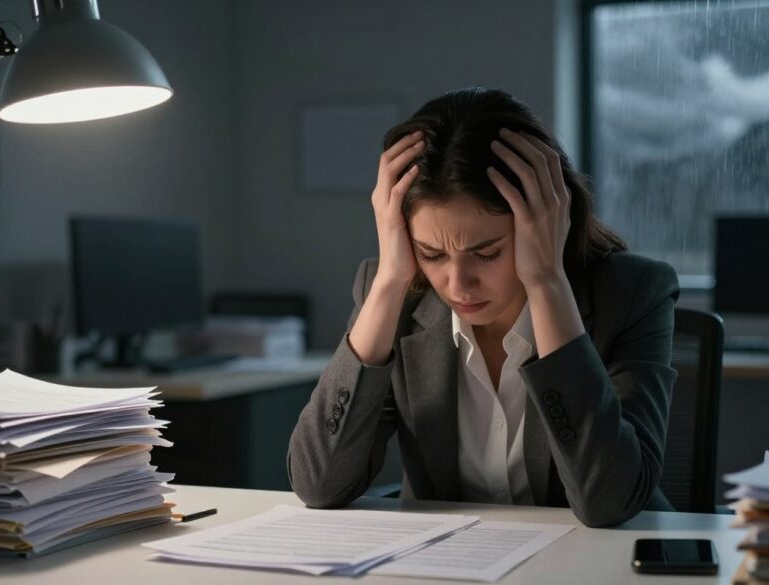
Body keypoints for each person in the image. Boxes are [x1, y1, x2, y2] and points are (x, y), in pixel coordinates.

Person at [287, 87, 678, 528]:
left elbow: (608, 502)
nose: (458, 284)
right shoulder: (397, 293)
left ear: (548, 224)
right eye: (431, 254)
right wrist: (389, 282)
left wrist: (548, 282)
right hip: (452, 566)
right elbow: (318, 483)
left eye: (488, 252)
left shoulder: (632, 293)